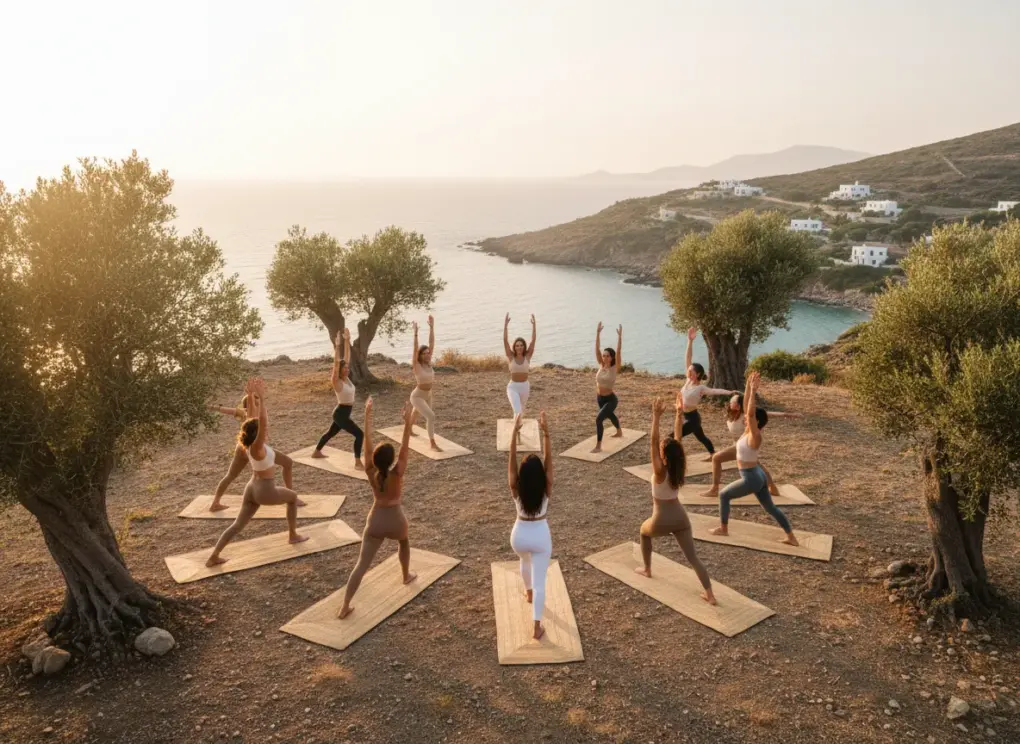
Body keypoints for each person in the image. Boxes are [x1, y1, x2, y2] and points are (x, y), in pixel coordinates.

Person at [206, 378, 308, 567]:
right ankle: (293, 535)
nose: (265, 429)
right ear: (258, 434)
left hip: (251, 488)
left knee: (237, 525)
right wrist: (261, 396)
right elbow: (262, 421)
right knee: (292, 498)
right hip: (264, 490)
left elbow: (253, 419)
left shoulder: (249, 445)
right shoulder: (257, 447)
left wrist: (253, 397)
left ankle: (214, 556)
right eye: (262, 430)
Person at [338, 397, 417, 619]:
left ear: (375, 459)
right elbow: (405, 448)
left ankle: (345, 606)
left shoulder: (370, 471)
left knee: (361, 565)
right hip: (396, 520)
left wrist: (367, 415)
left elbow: (368, 445)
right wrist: (407, 423)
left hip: (375, 521)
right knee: (404, 542)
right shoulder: (397, 473)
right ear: (391, 461)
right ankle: (406, 575)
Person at [633, 397, 716, 605]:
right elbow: (678, 439)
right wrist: (679, 414)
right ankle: (710, 594)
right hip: (681, 517)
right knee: (693, 558)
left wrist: (656, 417)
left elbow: (653, 442)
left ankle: (647, 569)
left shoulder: (660, 471)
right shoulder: (678, 467)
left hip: (661, 519)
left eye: (661, 449)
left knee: (644, 532)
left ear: (663, 454)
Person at [710, 371, 799, 546]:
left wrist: (753, 392)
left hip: (751, 477)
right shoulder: (748, 431)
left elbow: (750, 413)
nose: (745, 418)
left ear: (756, 422)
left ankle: (723, 529)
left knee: (724, 495)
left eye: (750, 419)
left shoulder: (755, 436)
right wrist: (749, 388)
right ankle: (791, 537)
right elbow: (747, 408)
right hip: (758, 475)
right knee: (770, 508)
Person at [205, 396, 301, 512]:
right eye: (256, 403)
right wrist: (251, 395)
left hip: (242, 447)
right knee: (287, 463)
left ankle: (215, 503)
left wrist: (211, 407)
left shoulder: (242, 413)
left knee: (230, 475)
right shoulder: (252, 414)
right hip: (254, 449)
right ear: (250, 405)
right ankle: (292, 498)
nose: (258, 405)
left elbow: (226, 410)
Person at [698, 395, 802, 499]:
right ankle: (772, 487)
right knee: (756, 465)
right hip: (739, 444)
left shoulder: (747, 416)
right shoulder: (732, 414)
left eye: (732, 401)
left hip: (745, 444)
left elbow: (767, 413)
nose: (730, 402)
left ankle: (714, 489)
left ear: (739, 405)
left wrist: (787, 414)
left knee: (716, 458)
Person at [507, 411, 553, 640]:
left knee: (524, 560)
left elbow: (511, 464)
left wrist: (514, 435)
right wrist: (546, 434)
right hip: (540, 535)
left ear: (522, 476)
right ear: (541, 476)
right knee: (540, 582)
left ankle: (528, 593)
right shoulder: (546, 487)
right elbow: (549, 464)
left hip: (519, 536)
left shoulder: (516, 487)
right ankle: (536, 627)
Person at [679, 327, 737, 461]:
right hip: (686, 415)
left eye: (691, 371)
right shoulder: (688, 381)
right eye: (688, 370)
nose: (688, 371)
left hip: (692, 418)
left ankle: (675, 460)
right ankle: (712, 454)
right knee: (702, 437)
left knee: (674, 436)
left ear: (698, 374)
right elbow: (688, 357)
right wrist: (690, 341)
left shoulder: (700, 388)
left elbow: (715, 391)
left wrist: (729, 392)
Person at [311, 327, 364, 469]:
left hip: (342, 413)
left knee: (331, 433)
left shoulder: (346, 379)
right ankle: (358, 462)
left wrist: (347, 341)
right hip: (341, 413)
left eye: (347, 368)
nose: (347, 369)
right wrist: (337, 346)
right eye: (344, 368)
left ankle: (316, 452)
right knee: (359, 434)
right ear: (338, 371)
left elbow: (346, 358)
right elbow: (336, 364)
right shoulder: (337, 382)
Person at [409, 315, 442, 451]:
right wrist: (416, 333)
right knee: (431, 416)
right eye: (425, 353)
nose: (428, 355)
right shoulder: (417, 365)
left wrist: (432, 327)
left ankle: (408, 428)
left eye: (429, 353)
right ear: (420, 355)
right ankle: (432, 443)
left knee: (416, 411)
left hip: (428, 394)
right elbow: (415, 348)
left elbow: (431, 343)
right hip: (417, 395)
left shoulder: (428, 363)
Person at [591, 322, 624, 453]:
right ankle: (619, 431)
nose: (604, 357)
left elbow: (619, 352)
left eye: (607, 356)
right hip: (600, 398)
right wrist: (597, 333)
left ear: (612, 357)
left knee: (598, 419)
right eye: (604, 355)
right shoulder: (601, 364)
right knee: (609, 415)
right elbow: (597, 349)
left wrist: (620, 337)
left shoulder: (615, 368)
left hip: (611, 399)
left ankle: (598, 446)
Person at [503, 313, 536, 428]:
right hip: (513, 387)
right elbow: (505, 341)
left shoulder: (527, 356)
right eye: (517, 345)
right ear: (514, 347)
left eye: (521, 345)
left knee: (520, 411)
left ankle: (516, 428)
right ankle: (516, 427)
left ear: (524, 346)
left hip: (525, 387)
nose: (519, 347)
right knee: (518, 411)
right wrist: (505, 325)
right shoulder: (510, 357)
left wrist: (534, 325)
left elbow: (533, 341)